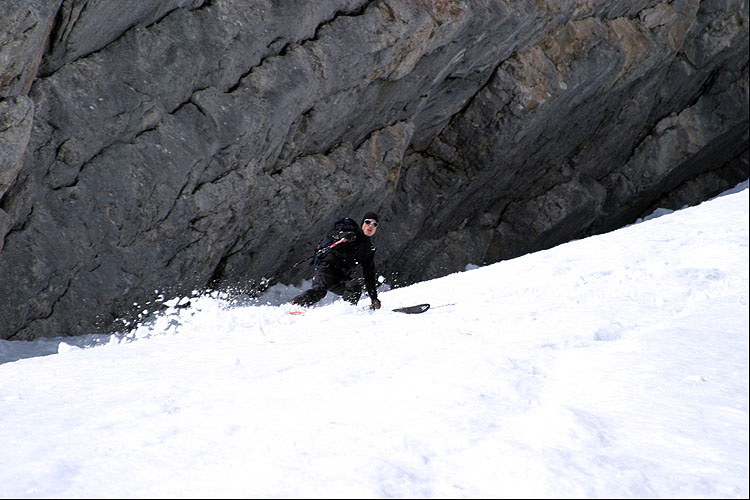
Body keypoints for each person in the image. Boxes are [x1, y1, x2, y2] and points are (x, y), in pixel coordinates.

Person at [291, 212, 382, 309]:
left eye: (374, 224)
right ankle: (295, 306)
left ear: (376, 229)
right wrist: (343, 235)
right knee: (320, 291)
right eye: (368, 222)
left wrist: (374, 298)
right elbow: (331, 234)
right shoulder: (351, 231)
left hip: (341, 277)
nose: (370, 226)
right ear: (362, 223)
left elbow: (369, 275)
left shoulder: (368, 249)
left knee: (354, 287)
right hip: (327, 268)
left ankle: (348, 310)